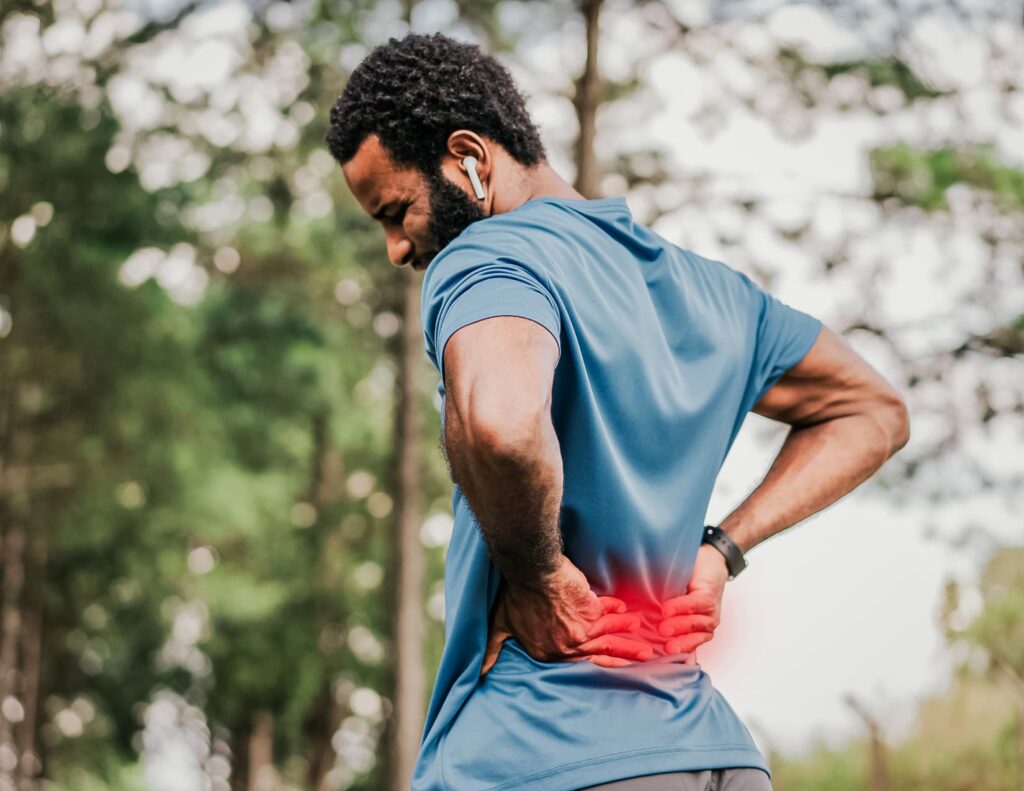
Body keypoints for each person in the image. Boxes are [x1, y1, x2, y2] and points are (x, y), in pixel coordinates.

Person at [325, 32, 910, 791]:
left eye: (395, 211)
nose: (397, 249)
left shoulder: (489, 257)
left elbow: (501, 426)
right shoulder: (715, 293)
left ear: (469, 158)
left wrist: (539, 575)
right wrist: (721, 549)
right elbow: (874, 410)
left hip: (541, 746)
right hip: (715, 755)